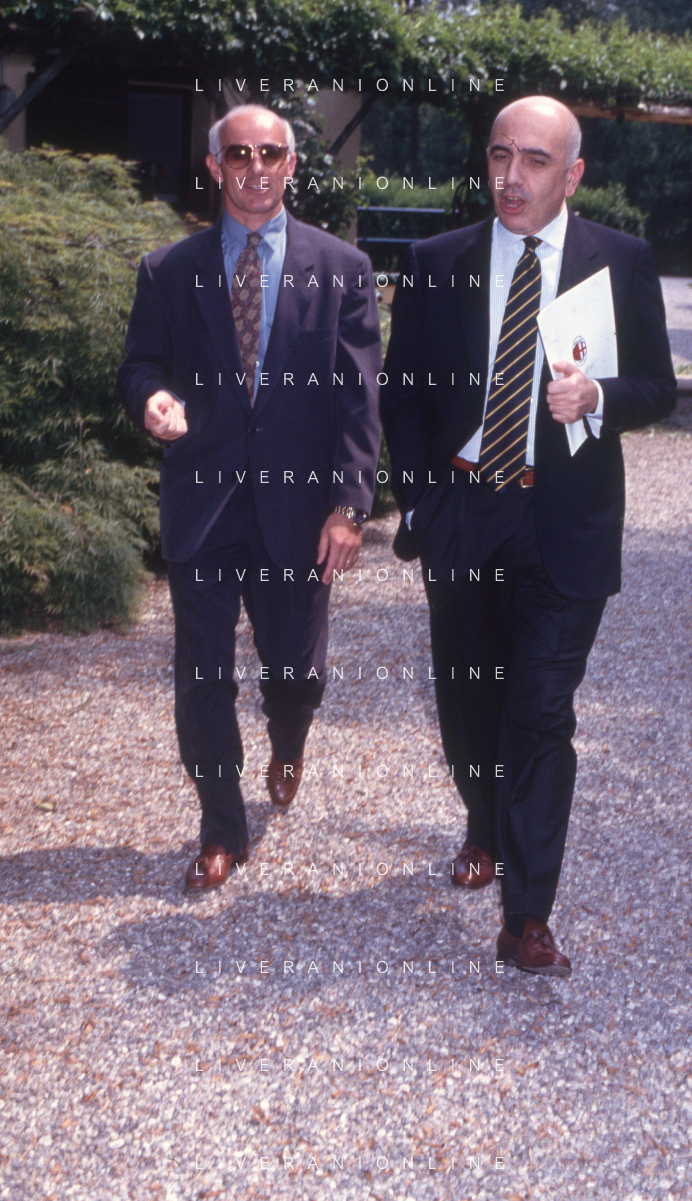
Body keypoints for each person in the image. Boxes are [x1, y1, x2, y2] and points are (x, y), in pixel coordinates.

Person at [380, 95, 676, 975]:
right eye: (499, 155)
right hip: (464, 512)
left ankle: (527, 912)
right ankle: (482, 820)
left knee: (540, 711)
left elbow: (657, 387)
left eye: (535, 161)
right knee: (470, 702)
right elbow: (402, 395)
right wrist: (422, 505)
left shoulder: (618, 261)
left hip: (565, 519)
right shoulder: (436, 262)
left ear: (572, 174)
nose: (511, 177)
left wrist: (598, 397)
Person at [118, 104, 381, 892]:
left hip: (298, 509)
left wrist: (349, 506)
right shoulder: (168, 270)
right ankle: (220, 825)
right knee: (201, 676)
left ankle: (289, 737)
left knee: (295, 671)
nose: (255, 167)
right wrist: (151, 400)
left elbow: (359, 398)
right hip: (202, 502)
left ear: (291, 164)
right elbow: (140, 366)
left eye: (270, 153)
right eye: (239, 154)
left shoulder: (341, 269)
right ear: (214, 166)